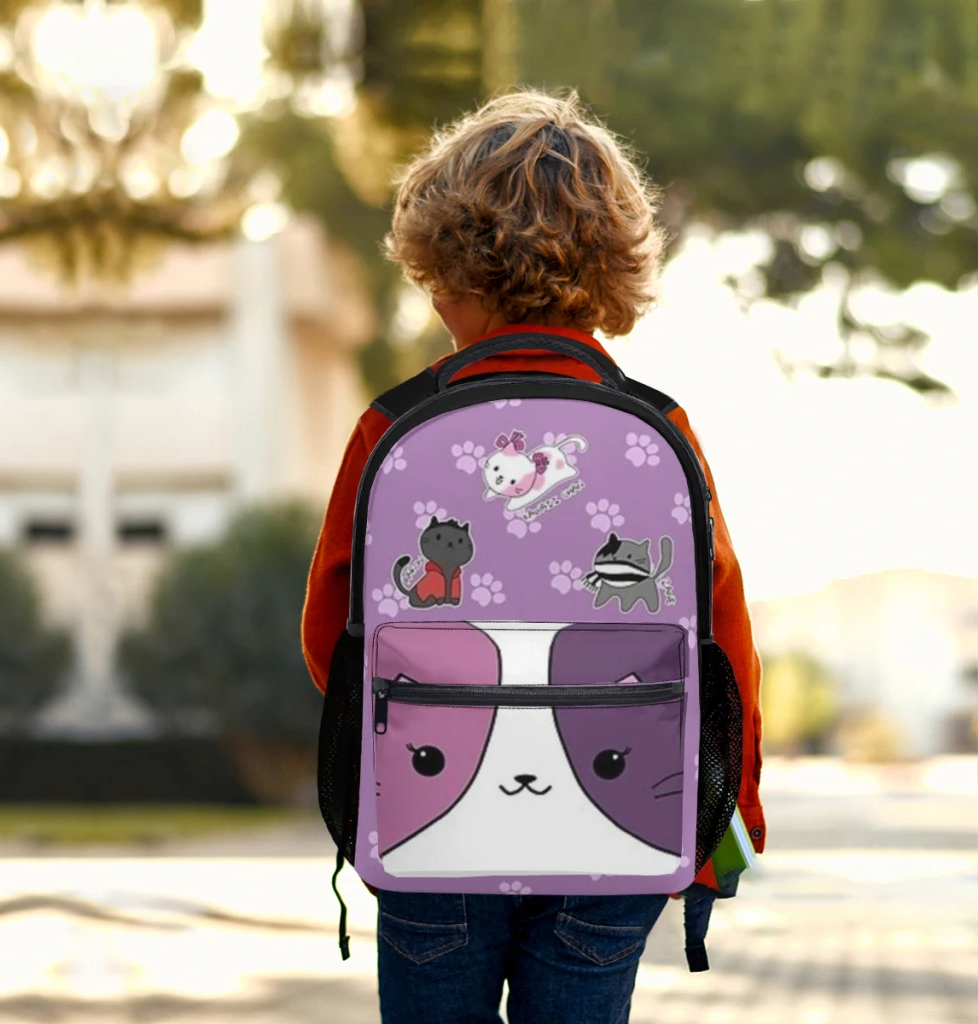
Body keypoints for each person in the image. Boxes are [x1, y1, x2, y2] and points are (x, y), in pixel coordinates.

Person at [302, 88, 764, 1024]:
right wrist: (732, 810)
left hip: (438, 828)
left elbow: (330, 635)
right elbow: (723, 635)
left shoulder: (392, 426)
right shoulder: (659, 428)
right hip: (617, 820)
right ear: (613, 268)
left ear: (447, 270)